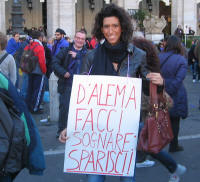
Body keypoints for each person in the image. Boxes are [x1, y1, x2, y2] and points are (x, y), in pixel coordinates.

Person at [59, 4, 164, 182]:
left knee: (127, 179)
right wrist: (70, 125)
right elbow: (81, 97)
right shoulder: (91, 56)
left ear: (122, 27)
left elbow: (147, 86)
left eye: (115, 26)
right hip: (95, 133)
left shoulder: (137, 55)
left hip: (126, 132)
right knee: (94, 180)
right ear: (101, 29)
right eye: (106, 26)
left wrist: (159, 83)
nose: (111, 31)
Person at [133, 37, 187, 182]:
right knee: (145, 139)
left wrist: (164, 86)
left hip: (148, 103)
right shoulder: (177, 60)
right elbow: (176, 81)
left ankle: (173, 165)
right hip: (159, 100)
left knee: (143, 138)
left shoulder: (145, 66)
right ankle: (173, 164)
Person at [52, 30, 87, 138]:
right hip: (67, 85)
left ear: (85, 41)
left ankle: (78, 133)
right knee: (65, 109)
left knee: (81, 111)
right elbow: (54, 63)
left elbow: (91, 66)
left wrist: (78, 56)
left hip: (83, 87)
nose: (80, 40)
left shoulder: (88, 53)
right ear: (74, 38)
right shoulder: (65, 50)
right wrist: (63, 72)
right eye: (78, 38)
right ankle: (61, 131)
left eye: (82, 39)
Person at [159, 35, 188, 153]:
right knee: (175, 120)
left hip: (160, 91)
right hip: (175, 94)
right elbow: (179, 79)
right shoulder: (181, 59)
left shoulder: (159, 57)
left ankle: (156, 145)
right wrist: (169, 92)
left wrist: (162, 91)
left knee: (158, 120)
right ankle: (174, 145)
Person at [24, 30, 47, 114]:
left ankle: (28, 106)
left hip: (30, 70)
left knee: (30, 89)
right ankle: (35, 108)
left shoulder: (29, 45)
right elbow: (42, 61)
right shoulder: (39, 47)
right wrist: (44, 71)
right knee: (38, 91)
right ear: (40, 38)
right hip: (38, 72)